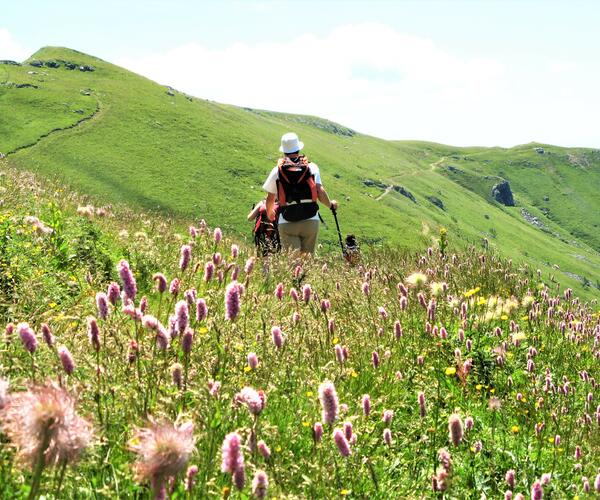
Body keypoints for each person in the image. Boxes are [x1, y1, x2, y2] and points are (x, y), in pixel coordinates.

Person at [262, 132, 338, 255]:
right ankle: (305, 274)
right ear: (298, 148)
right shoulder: (312, 167)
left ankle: (295, 274)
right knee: (307, 261)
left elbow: (270, 198)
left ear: (284, 151)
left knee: (294, 262)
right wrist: (330, 205)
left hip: (287, 220)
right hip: (310, 218)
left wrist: (270, 214)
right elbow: (320, 191)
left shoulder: (277, 171)